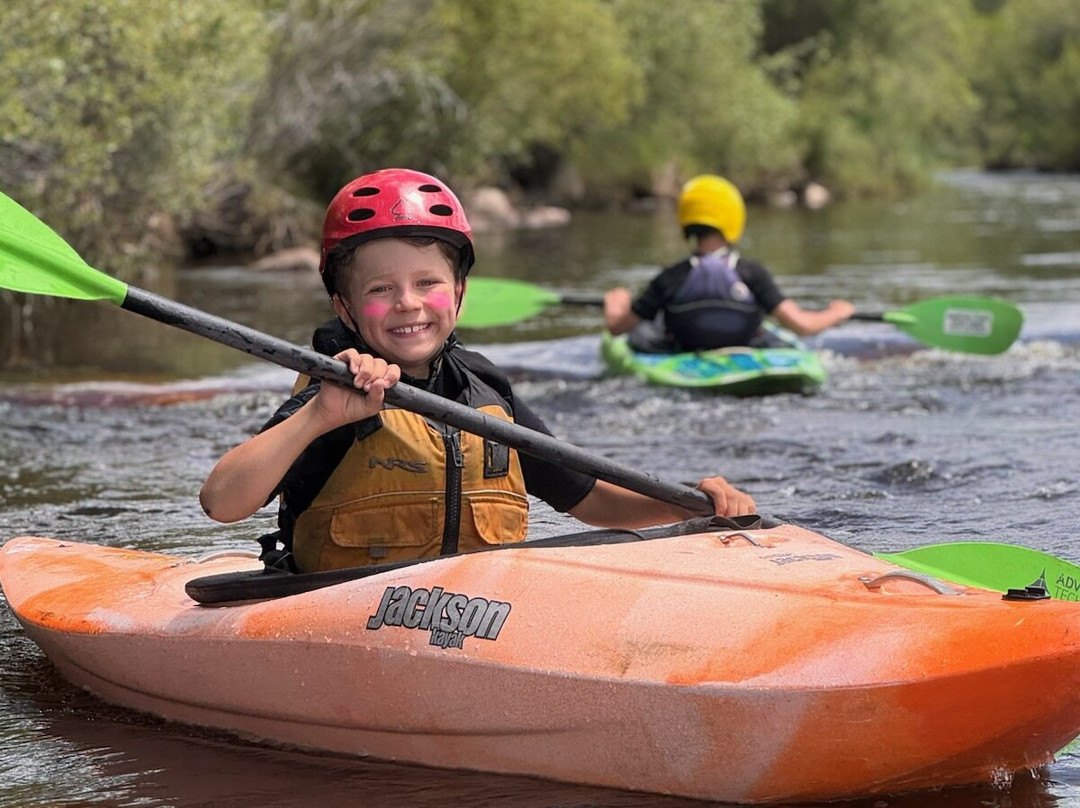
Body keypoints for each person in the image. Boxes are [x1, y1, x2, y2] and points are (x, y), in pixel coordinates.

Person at [200, 168, 756, 573]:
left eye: (427, 283)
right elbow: (221, 502)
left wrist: (694, 504)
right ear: (343, 309)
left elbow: (592, 498)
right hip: (337, 622)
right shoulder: (335, 389)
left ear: (459, 295)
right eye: (379, 289)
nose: (408, 304)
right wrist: (320, 415)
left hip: (478, 623)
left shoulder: (489, 394)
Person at [604, 174, 855, 353]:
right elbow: (803, 325)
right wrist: (838, 312)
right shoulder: (752, 274)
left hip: (682, 351)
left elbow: (618, 328)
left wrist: (617, 303)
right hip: (745, 348)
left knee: (642, 334)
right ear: (734, 218)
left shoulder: (671, 277)